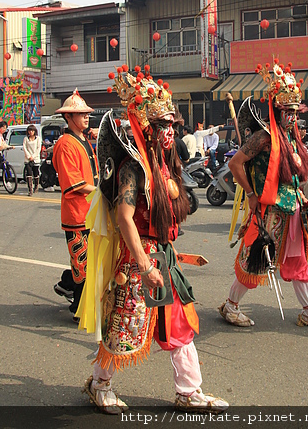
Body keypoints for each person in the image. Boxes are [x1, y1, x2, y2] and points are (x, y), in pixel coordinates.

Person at [78, 67, 228, 413]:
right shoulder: (134, 167)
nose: (170, 131)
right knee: (126, 325)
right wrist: (145, 267)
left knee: (179, 322)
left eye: (172, 124)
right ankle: (100, 383)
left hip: (165, 255)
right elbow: (124, 218)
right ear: (146, 126)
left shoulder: (162, 162)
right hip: (138, 259)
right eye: (163, 125)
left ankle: (189, 390)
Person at [219, 60, 308, 328]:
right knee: (256, 259)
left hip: (292, 211)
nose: (292, 117)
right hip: (268, 211)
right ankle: (230, 306)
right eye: (287, 111)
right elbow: (235, 164)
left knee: (297, 260)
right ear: (277, 110)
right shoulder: (263, 138)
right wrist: (250, 193)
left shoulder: (292, 138)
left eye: (295, 111)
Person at [52, 89, 99, 322]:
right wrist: (101, 192)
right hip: (76, 214)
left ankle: (65, 283)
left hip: (90, 212)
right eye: (80, 114)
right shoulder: (65, 144)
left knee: (90, 262)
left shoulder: (83, 139)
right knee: (82, 265)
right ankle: (79, 310)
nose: (86, 117)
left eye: (86, 113)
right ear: (68, 117)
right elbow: (73, 184)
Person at [23, 125, 42, 196]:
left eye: (32, 131)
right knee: (29, 174)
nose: (31, 132)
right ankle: (30, 189)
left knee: (36, 173)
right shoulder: (26, 139)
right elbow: (25, 148)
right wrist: (29, 156)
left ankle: (36, 186)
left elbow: (38, 149)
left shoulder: (38, 139)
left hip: (35, 159)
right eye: (29, 130)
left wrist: (33, 157)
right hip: (28, 159)